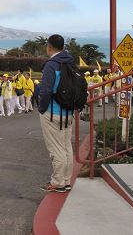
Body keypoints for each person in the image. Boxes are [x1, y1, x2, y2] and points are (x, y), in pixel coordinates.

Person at [38, 34, 74, 193]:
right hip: (68, 112)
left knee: (56, 149)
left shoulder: (51, 65)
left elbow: (46, 91)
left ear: (49, 47)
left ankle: (58, 182)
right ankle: (66, 180)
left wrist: (41, 108)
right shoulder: (70, 62)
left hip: (52, 112)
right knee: (66, 147)